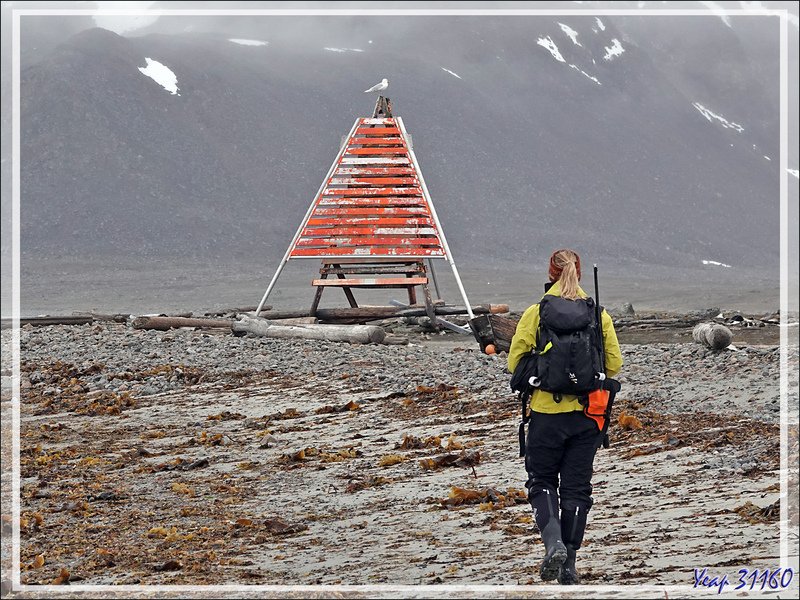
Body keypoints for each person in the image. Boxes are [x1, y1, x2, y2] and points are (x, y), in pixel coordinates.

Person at [507, 249, 623, 585]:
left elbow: (515, 362)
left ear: (550, 272)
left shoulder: (536, 312)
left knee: (542, 482)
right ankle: (569, 565)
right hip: (589, 417)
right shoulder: (597, 313)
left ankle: (552, 542)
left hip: (545, 414)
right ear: (581, 273)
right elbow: (613, 363)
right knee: (576, 489)